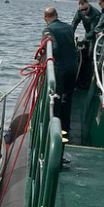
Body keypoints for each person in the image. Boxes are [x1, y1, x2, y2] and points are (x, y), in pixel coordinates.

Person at [42, 7, 77, 138]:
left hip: (59, 68)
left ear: (45, 18)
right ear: (57, 15)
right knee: (67, 99)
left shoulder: (48, 30)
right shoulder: (68, 27)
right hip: (73, 67)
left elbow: (53, 47)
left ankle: (56, 130)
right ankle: (66, 128)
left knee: (56, 98)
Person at [70, 0, 100, 90]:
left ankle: (88, 82)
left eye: (86, 9)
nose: (84, 12)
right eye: (82, 10)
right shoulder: (80, 11)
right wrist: (70, 34)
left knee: (90, 56)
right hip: (87, 32)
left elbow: (93, 30)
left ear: (89, 6)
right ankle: (79, 79)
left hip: (95, 35)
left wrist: (84, 40)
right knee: (83, 56)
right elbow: (75, 22)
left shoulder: (95, 14)